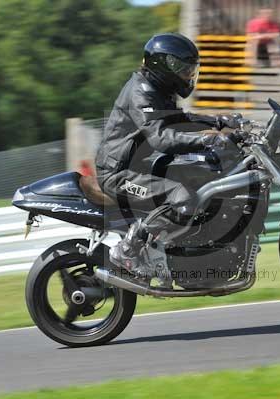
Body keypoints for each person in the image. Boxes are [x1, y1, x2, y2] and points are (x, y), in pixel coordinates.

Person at [95, 33, 241, 275]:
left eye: (191, 70)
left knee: (197, 176)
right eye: (183, 70)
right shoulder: (141, 92)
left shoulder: (158, 89)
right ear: (164, 65)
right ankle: (128, 249)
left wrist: (218, 121)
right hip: (116, 174)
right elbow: (160, 137)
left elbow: (180, 120)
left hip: (137, 166)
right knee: (181, 197)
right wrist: (207, 140)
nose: (188, 76)